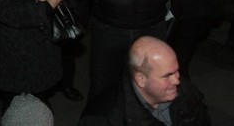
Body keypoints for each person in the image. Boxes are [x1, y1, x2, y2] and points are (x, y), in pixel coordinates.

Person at [78, 36, 211, 126]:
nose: (177, 80)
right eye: (167, 75)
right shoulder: (104, 118)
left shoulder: (187, 93)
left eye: (177, 71)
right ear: (141, 79)